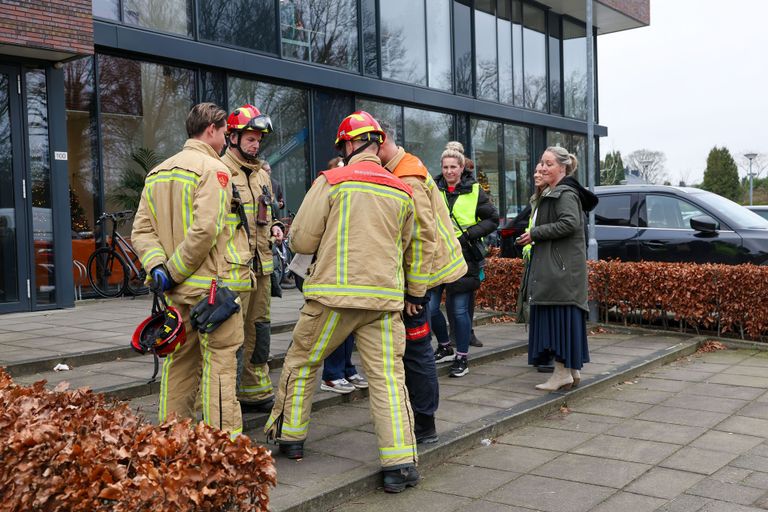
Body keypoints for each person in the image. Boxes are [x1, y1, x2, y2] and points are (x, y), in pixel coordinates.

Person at [264, 111, 420, 493]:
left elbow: (300, 241)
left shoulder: (332, 181)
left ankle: (292, 439)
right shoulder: (402, 189)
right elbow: (407, 245)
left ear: (349, 144)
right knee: (388, 379)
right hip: (383, 301)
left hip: (333, 297)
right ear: (378, 142)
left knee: (302, 362)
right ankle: (399, 464)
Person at [132, 102, 252, 438]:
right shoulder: (214, 170)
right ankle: (223, 449)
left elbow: (142, 230)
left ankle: (172, 440)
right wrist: (173, 270)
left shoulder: (157, 172)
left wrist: (158, 267)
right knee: (220, 370)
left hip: (177, 295)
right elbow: (206, 230)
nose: (227, 141)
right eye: (225, 134)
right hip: (214, 293)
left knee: (178, 366)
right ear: (211, 129)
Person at [378, 122, 466, 444]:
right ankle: (420, 419)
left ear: (381, 141)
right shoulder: (403, 167)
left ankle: (424, 424)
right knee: (416, 349)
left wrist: (414, 291)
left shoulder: (406, 176)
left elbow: (421, 236)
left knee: (417, 349)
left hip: (420, 279)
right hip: (420, 276)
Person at [515, 146, 598, 391]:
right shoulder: (554, 192)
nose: (542, 167)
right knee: (565, 321)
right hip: (560, 270)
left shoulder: (564, 194)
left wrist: (535, 234)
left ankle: (562, 373)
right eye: (542, 162)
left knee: (561, 321)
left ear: (562, 168)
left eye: (548, 163)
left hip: (561, 272)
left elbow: (570, 223)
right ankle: (571, 372)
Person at [220, 104, 285, 412]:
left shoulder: (260, 176)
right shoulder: (220, 173)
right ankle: (226, 398)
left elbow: (267, 213)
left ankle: (255, 391)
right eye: (249, 138)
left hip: (262, 267)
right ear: (232, 137)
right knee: (231, 336)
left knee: (258, 329)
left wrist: (274, 227)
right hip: (234, 271)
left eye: (258, 139)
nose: (255, 143)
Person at [431, 142, 499, 378]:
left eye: (453, 167)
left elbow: (492, 219)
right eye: (445, 167)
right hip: (435, 257)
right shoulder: (432, 188)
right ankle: (444, 345)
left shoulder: (475, 190)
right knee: (430, 309)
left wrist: (468, 234)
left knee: (459, 311)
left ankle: (462, 357)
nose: (449, 171)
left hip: (464, 256)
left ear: (461, 168)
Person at [319, 156, 369, 395]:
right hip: (332, 269)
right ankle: (331, 374)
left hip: (350, 267)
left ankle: (347, 368)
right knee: (336, 325)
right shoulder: (325, 193)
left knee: (348, 328)